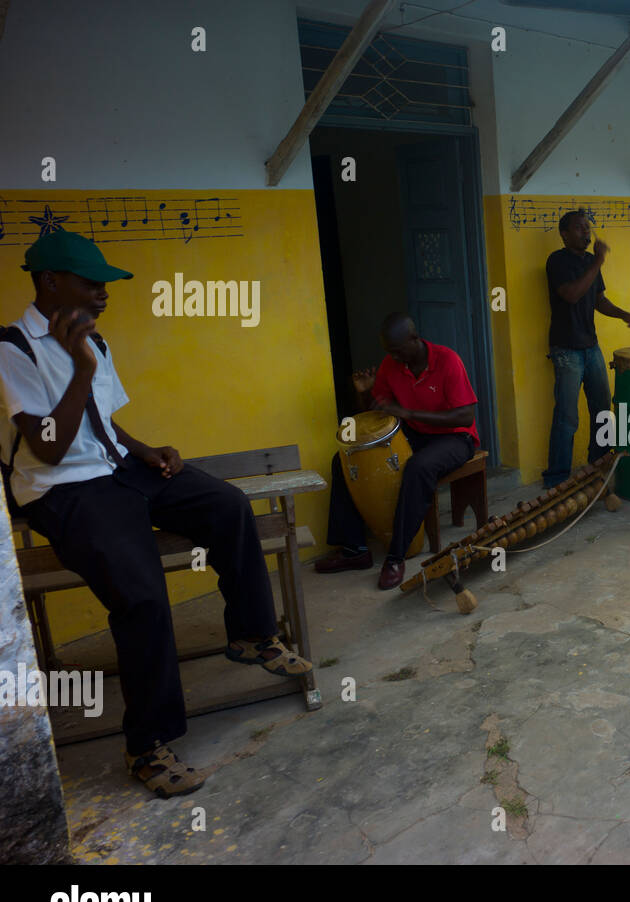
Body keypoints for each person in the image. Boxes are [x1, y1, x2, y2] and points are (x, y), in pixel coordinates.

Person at [0, 231, 312, 798]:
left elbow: (100, 421)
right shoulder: (13, 348)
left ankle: (251, 635)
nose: (102, 293)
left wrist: (142, 450)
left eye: (105, 284)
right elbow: (47, 445)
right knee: (141, 596)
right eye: (90, 283)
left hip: (116, 469)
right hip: (62, 490)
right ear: (49, 282)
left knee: (227, 506)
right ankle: (147, 746)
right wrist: (78, 366)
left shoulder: (92, 340)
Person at [316, 312, 479, 590]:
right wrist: (365, 393)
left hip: (456, 438)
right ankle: (355, 549)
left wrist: (409, 412)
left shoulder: (446, 359)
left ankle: (395, 556)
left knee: (419, 468)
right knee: (346, 457)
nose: (393, 357)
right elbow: (377, 410)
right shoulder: (391, 365)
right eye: (388, 352)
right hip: (416, 433)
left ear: (414, 339)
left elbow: (465, 416)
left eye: (397, 350)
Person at [543, 211, 630, 488]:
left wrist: (623, 314)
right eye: (580, 228)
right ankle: (557, 478)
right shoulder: (557, 261)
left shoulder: (589, 262)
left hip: (591, 346)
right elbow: (572, 295)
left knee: (602, 410)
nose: (587, 233)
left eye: (588, 228)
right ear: (564, 234)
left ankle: (597, 466)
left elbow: (598, 300)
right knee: (567, 416)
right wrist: (598, 260)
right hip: (566, 349)